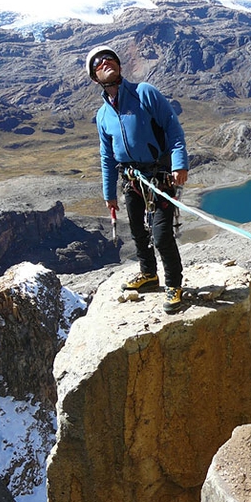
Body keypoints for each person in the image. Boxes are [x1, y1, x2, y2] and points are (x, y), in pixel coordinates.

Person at [85, 45, 189, 313]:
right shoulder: (103, 115)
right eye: (98, 63)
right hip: (131, 179)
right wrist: (109, 194)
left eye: (110, 58)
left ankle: (174, 285)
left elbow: (172, 128)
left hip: (159, 176)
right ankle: (149, 274)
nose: (105, 62)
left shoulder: (144, 93)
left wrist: (179, 164)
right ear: (94, 77)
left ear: (119, 66)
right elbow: (106, 156)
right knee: (137, 232)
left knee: (162, 234)